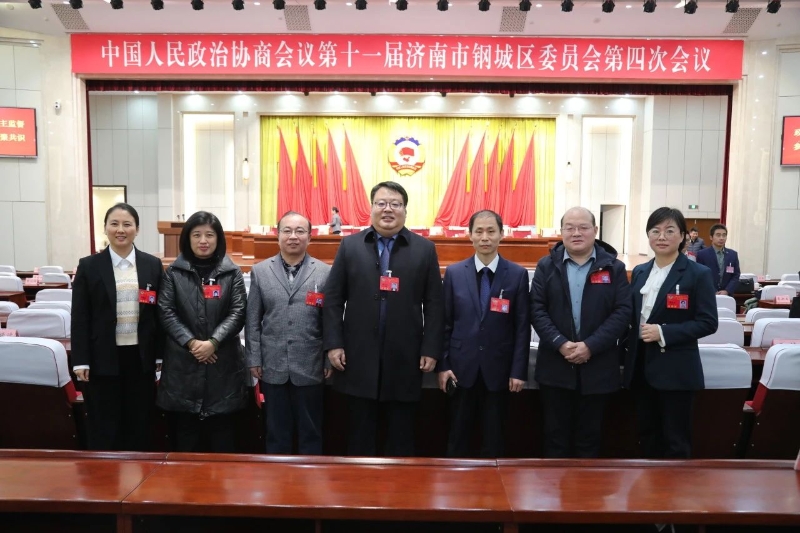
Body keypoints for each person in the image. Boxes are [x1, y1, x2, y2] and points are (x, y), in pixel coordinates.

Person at [323, 181, 444, 457]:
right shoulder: (350, 246)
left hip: (405, 357)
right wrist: (334, 343)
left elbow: (435, 304)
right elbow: (333, 300)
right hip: (357, 356)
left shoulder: (424, 249)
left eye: (395, 204)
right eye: (381, 203)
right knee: (359, 436)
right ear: (371, 208)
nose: (388, 209)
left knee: (400, 437)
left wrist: (430, 348)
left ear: (405, 210)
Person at [530, 207, 631, 458]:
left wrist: (590, 346)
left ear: (595, 230)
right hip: (555, 366)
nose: (577, 233)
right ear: (561, 231)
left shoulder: (614, 268)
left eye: (583, 227)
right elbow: (537, 310)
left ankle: (587, 485)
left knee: (590, 440)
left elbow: (622, 312)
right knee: (555, 439)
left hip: (598, 367)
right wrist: (560, 343)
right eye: (570, 228)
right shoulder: (546, 266)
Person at [624, 207, 718, 459]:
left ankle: (674, 486)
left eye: (669, 231)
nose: (662, 237)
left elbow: (708, 322)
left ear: (683, 236)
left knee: (676, 440)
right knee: (647, 435)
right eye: (655, 231)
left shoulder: (698, 274)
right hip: (641, 366)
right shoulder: (640, 271)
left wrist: (663, 332)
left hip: (676, 368)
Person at [437, 210, 530, 458]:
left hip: (499, 369)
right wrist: (443, 365)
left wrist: (518, 370)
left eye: (491, 231)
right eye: (478, 231)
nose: (485, 237)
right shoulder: (454, 273)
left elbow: (522, 327)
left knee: (494, 439)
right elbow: (445, 323)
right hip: (460, 369)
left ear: (502, 234)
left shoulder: (517, 275)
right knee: (457, 437)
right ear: (470, 235)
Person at [71, 203, 164, 451]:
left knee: (139, 421)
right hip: (102, 357)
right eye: (114, 224)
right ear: (105, 228)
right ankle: (105, 472)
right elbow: (80, 317)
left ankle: (138, 471)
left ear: (137, 229)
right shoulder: (89, 266)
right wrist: (81, 360)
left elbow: (158, 315)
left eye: (127, 224)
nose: (120, 230)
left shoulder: (152, 265)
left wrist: (159, 355)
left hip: (140, 357)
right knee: (105, 423)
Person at [157, 211, 248, 453]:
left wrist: (213, 342)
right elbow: (166, 312)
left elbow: (238, 312)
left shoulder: (232, 273)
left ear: (219, 238)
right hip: (183, 367)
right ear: (187, 238)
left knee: (223, 440)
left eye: (209, 235)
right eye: (196, 235)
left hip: (223, 366)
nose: (203, 240)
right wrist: (192, 343)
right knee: (185, 440)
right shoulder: (173, 273)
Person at [246, 211, 331, 455]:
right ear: (278, 235)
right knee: (276, 433)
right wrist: (254, 358)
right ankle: (277, 477)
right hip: (272, 365)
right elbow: (253, 320)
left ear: (310, 237)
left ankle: (310, 476)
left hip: (311, 364)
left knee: (311, 432)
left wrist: (328, 359)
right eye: (287, 231)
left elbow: (330, 321)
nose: (293, 236)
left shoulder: (325, 272)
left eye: (300, 231)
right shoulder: (261, 271)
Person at [695, 223, 741, 295]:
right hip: (708, 294)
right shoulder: (702, 254)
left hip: (727, 295)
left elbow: (736, 275)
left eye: (724, 235)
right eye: (718, 235)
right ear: (711, 237)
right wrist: (713, 291)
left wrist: (727, 291)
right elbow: (700, 276)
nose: (721, 238)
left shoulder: (733, 254)